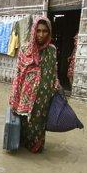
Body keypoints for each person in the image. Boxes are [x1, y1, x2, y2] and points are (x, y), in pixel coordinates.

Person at [9, 17, 59, 153]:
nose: (41, 35)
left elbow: (54, 73)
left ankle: (36, 151)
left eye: (45, 31)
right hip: (26, 97)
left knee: (39, 126)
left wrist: (56, 89)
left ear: (49, 33)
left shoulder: (52, 50)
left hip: (43, 98)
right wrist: (14, 98)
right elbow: (19, 75)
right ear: (33, 31)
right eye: (38, 31)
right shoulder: (25, 49)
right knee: (24, 126)